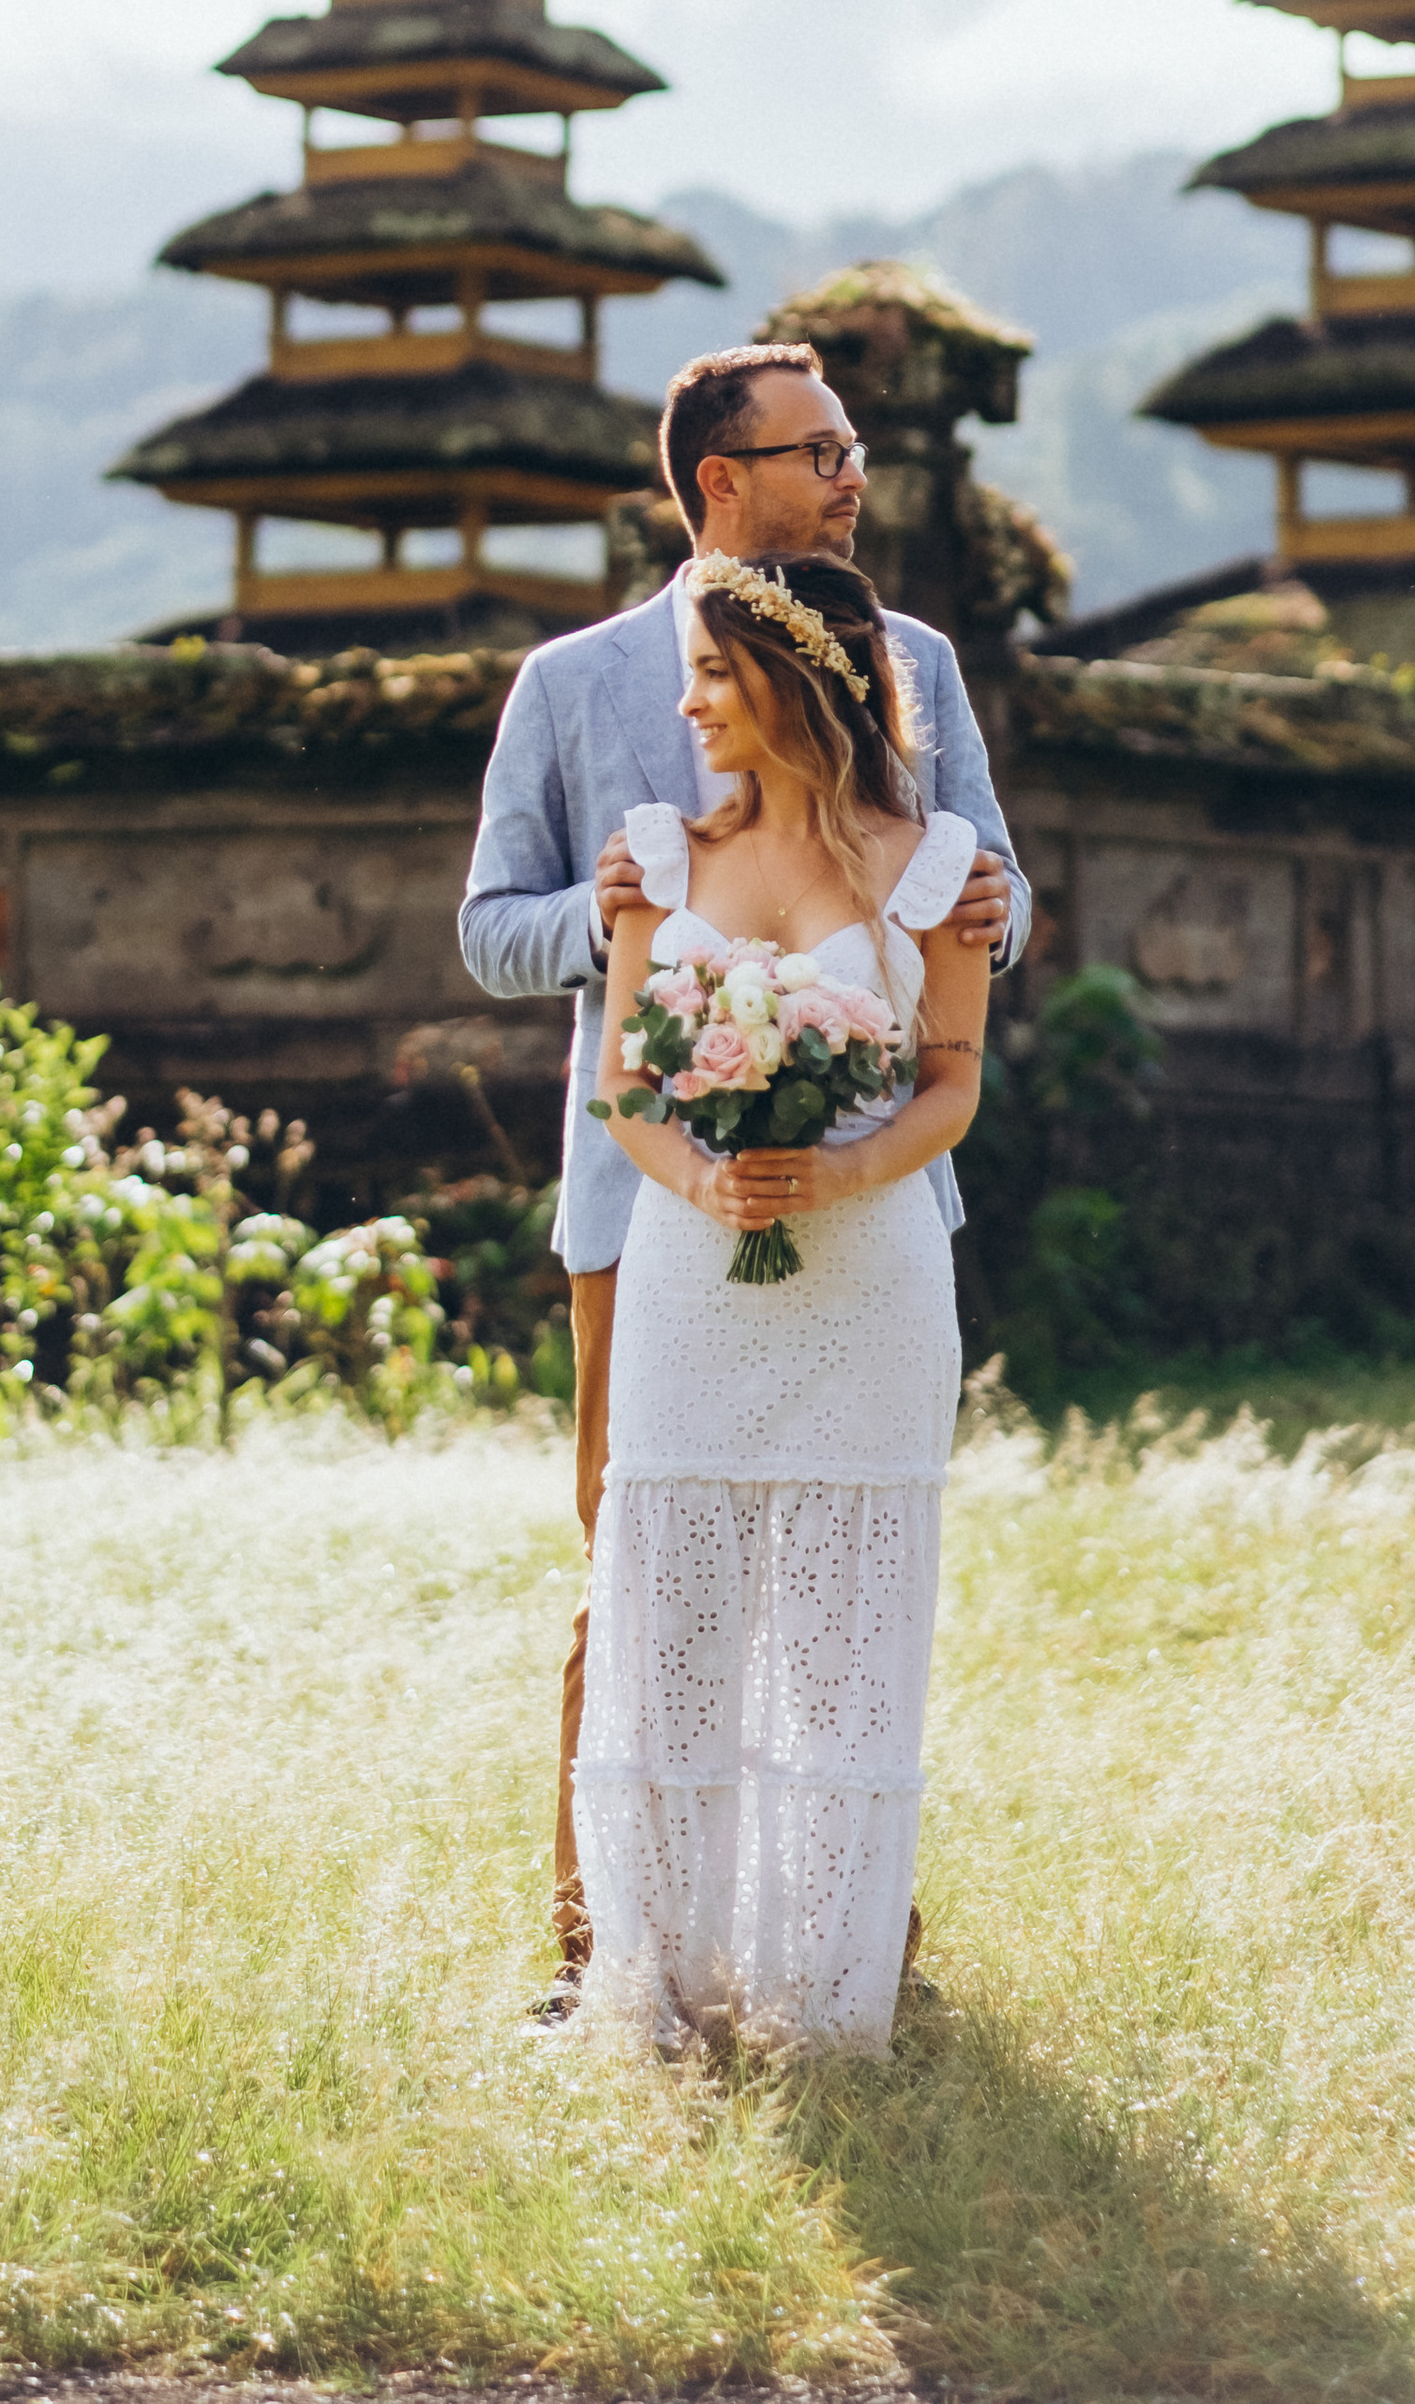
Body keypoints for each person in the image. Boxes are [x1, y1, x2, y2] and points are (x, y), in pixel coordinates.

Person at [458, 339, 1030, 2004]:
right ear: (721, 479)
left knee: (850, 1578)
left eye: (852, 450)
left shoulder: (915, 660)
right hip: (646, 1196)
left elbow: (995, 892)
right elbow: (490, 930)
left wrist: (985, 911)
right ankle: (606, 1948)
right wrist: (636, 930)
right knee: (638, 1568)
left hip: (874, 1189)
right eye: (820, 452)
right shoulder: (577, 683)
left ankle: (844, 1949)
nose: (854, 476)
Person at [571, 548, 988, 2048]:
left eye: (712, 673)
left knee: (840, 1648)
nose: (688, 704)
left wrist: (841, 1170)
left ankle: (817, 1999)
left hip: (870, 1284)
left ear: (794, 680)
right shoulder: (657, 859)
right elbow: (626, 1086)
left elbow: (953, 1083)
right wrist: (705, 1185)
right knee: (674, 1625)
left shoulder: (938, 869)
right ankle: (660, 1993)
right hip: (692, 1281)